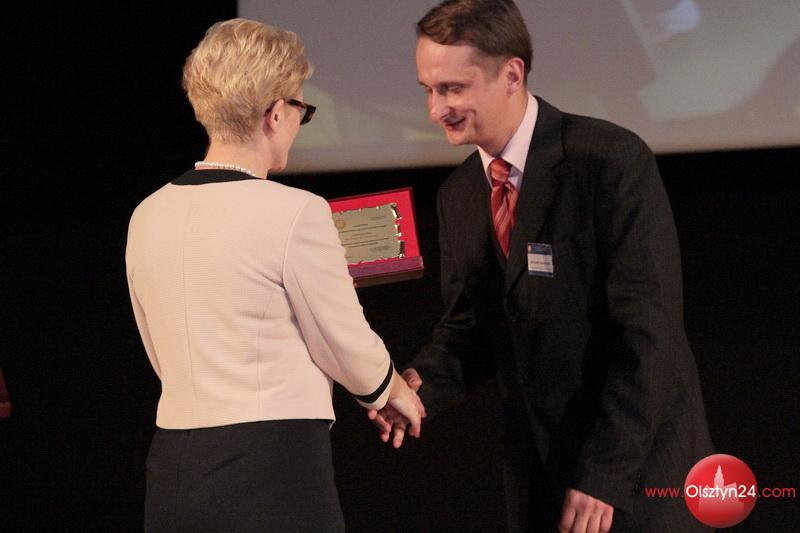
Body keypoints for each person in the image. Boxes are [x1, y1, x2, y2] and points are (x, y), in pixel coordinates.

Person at [370, 1, 714, 531]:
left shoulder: (609, 161)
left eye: (453, 89)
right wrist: (417, 388)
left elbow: (649, 334)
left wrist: (605, 473)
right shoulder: (459, 196)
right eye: (428, 90)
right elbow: (469, 331)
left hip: (636, 480)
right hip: (539, 483)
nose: (436, 109)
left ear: (512, 74)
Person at [126, 18, 424, 532]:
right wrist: (392, 392)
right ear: (275, 112)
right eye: (301, 109)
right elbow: (342, 337)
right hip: (269, 468)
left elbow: (157, 346)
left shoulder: (147, 213)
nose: (298, 122)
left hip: (172, 468)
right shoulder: (295, 211)